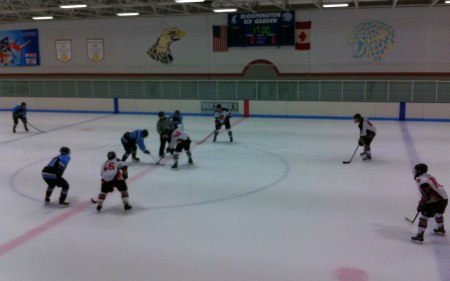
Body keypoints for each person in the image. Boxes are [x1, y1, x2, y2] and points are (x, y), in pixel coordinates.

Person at [411, 163, 448, 243]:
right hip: (444, 198)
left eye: (417, 170)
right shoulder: (429, 176)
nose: (415, 172)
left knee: (424, 217)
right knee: (438, 213)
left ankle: (419, 235)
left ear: (419, 171)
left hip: (435, 200)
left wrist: (422, 204)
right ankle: (440, 228)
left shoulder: (421, 179)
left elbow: (426, 191)